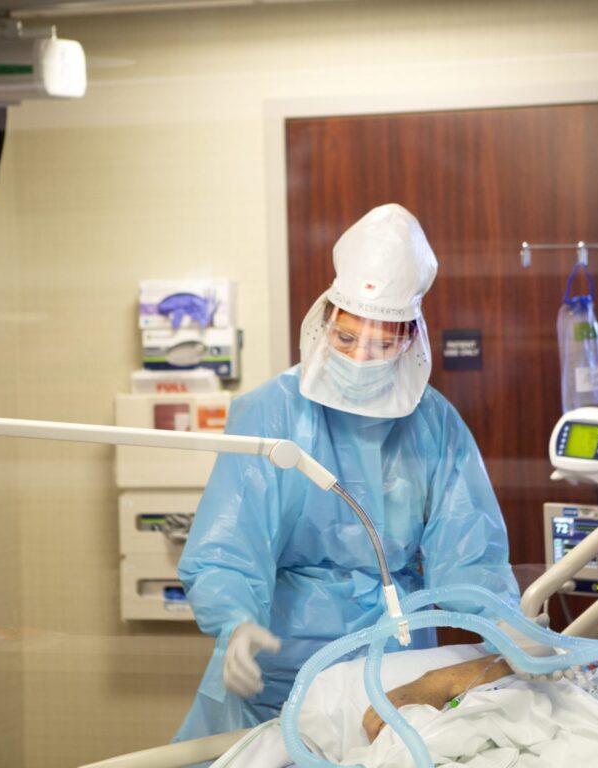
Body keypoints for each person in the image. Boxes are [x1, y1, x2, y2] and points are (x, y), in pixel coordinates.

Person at [172, 203, 519, 745]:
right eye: (347, 339)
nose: (359, 359)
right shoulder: (272, 413)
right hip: (278, 664)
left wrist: (509, 632)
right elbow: (227, 547)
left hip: (392, 671)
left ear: (410, 339)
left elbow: (470, 557)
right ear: (327, 319)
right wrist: (235, 622)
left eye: (381, 344)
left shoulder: (434, 424)